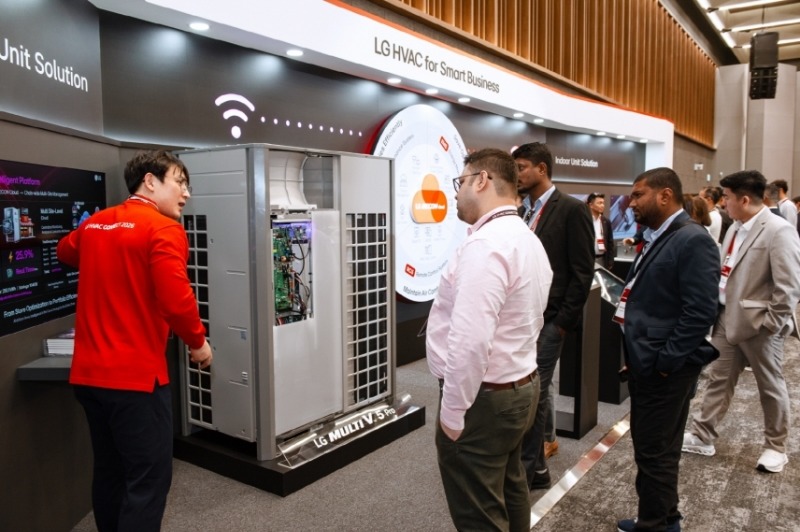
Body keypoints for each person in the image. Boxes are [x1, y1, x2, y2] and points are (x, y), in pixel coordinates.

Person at [57, 150, 213, 532]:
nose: (186, 193)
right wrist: (198, 342)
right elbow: (176, 300)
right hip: (137, 382)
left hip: (89, 378)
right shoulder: (163, 229)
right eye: (180, 182)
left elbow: (64, 251)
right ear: (150, 181)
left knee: (110, 471)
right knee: (147, 480)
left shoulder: (96, 224)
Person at [427, 148, 552, 532]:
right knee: (510, 487)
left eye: (460, 181)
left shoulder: (486, 246)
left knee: (479, 511)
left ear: (482, 180)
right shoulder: (526, 238)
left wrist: (452, 412)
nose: (455, 192)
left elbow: (470, 342)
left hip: (483, 397)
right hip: (520, 385)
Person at [614, 167, 720, 532]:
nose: (630, 202)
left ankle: (655, 525)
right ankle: (664, 518)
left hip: (665, 368)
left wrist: (665, 362)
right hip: (649, 360)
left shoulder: (692, 239)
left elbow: (701, 312)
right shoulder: (660, 235)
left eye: (638, 194)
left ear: (665, 195)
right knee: (658, 448)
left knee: (654, 451)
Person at [683, 170, 800, 474]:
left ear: (744, 199)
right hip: (726, 318)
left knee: (770, 385)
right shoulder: (735, 227)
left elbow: (789, 286)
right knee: (718, 379)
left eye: (727, 197)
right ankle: (703, 435)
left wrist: (772, 325)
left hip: (760, 325)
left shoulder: (779, 230)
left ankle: (776, 447)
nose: (724, 203)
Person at [512, 142, 595, 489]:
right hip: (525, 319)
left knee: (533, 394)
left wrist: (563, 323)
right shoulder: (523, 211)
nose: (516, 174)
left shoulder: (572, 209)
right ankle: (539, 461)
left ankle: (532, 472)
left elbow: (582, 272)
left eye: (521, 167)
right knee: (534, 390)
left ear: (542, 169)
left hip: (551, 320)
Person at [587, 192, 615, 270]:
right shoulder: (584, 220)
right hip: (587, 259)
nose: (602, 205)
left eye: (603, 203)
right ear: (591, 205)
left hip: (602, 259)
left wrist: (610, 261)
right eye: (599, 203)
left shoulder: (606, 221)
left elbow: (610, 242)